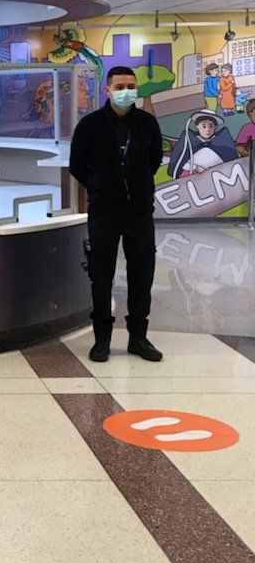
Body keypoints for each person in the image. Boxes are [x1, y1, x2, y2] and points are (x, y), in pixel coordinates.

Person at [69, 66, 164, 363]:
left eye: (131, 85)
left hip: (138, 212)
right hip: (104, 212)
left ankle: (138, 337)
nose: (126, 90)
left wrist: (134, 186)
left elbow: (153, 161)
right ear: (108, 90)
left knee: (142, 273)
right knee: (101, 274)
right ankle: (102, 339)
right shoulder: (90, 125)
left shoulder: (147, 124)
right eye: (120, 85)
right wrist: (100, 186)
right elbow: (77, 165)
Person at [168, 110, 238, 178]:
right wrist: (195, 168)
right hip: (194, 179)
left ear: (215, 127)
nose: (207, 130)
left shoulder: (223, 140)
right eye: (204, 126)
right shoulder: (188, 141)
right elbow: (179, 162)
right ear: (197, 126)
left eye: (211, 126)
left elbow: (232, 160)